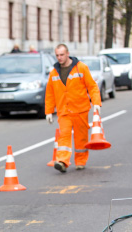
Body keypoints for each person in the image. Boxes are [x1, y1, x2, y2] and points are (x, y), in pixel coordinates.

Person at [45, 44, 101, 173]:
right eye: (57, 55)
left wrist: (96, 102)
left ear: (67, 54)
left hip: (80, 109)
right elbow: (49, 93)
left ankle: (80, 161)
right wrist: (48, 111)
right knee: (63, 136)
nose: (59, 58)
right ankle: (62, 161)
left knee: (80, 137)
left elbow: (92, 86)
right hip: (64, 110)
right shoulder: (54, 72)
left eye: (62, 55)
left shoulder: (81, 68)